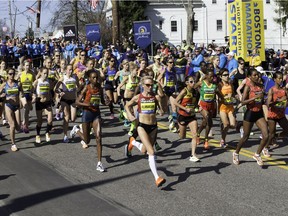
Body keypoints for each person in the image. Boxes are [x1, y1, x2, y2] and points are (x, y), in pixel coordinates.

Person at [125, 76, 166, 187]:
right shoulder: (138, 97)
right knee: (151, 152)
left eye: (151, 85)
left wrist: (161, 110)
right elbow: (127, 105)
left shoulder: (155, 97)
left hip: (153, 127)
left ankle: (132, 142)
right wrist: (130, 115)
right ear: (142, 86)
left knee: (144, 150)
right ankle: (157, 178)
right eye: (147, 85)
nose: (150, 87)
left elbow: (162, 109)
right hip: (142, 126)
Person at [70, 70, 106, 172]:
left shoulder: (99, 87)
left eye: (96, 77)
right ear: (89, 79)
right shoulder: (86, 88)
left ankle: (99, 163)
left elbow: (102, 100)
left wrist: (106, 102)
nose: (95, 79)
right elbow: (77, 102)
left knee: (98, 137)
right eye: (93, 78)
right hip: (87, 114)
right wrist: (88, 104)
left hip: (96, 114)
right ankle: (76, 130)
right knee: (87, 140)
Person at [232, 68, 268, 166]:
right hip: (250, 113)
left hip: (259, 113)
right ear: (250, 77)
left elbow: (263, 100)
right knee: (245, 137)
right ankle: (236, 153)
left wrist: (265, 98)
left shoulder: (261, 86)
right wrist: (255, 98)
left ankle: (257, 154)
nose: (257, 77)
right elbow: (243, 102)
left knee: (266, 135)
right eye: (254, 75)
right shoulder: (248, 87)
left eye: (257, 75)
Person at [174, 76, 199, 162]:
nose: (193, 83)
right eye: (191, 82)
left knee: (195, 134)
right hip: (183, 115)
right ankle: (177, 127)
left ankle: (193, 155)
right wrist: (185, 109)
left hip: (191, 116)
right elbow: (175, 102)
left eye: (194, 81)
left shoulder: (195, 92)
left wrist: (196, 108)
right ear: (187, 83)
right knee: (182, 136)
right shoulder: (184, 91)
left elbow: (195, 103)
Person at [54, 64, 79, 143]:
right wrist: (60, 92)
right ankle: (65, 135)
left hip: (73, 100)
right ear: (65, 70)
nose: (70, 71)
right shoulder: (63, 78)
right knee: (66, 118)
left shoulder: (75, 77)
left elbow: (78, 87)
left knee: (73, 118)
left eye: (71, 69)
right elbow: (55, 89)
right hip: (64, 100)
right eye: (69, 69)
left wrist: (77, 93)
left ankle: (74, 129)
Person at [265, 72, 288, 155]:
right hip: (272, 114)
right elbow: (268, 104)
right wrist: (278, 101)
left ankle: (277, 136)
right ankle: (265, 148)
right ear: (275, 79)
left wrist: (284, 104)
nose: (281, 80)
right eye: (279, 78)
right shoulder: (272, 90)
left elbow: (286, 101)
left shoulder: (284, 90)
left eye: (282, 78)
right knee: (271, 134)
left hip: (281, 114)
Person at [0, 68, 23, 151]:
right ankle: (13, 144)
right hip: (8, 106)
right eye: (10, 74)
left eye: (13, 73)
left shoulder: (18, 83)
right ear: (7, 75)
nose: (12, 75)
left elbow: (21, 93)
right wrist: (2, 96)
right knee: (12, 125)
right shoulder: (4, 84)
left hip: (17, 106)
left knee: (18, 127)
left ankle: (20, 127)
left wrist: (22, 102)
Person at [194, 70, 218, 149]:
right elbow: (193, 87)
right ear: (206, 76)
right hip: (202, 105)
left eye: (213, 77)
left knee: (205, 123)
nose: (212, 78)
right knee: (208, 119)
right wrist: (199, 92)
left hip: (211, 105)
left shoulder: (213, 85)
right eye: (210, 76)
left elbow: (218, 94)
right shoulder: (201, 83)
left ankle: (198, 134)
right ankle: (206, 140)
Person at [32, 67, 53, 144]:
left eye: (47, 73)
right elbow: (32, 91)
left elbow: (50, 91)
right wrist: (35, 97)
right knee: (40, 121)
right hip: (39, 102)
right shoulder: (37, 81)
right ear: (40, 73)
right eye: (44, 73)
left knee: (50, 120)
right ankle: (38, 135)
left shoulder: (49, 81)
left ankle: (47, 132)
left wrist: (51, 99)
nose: (46, 75)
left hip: (47, 102)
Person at [218, 69, 236, 147]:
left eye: (227, 74)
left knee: (233, 125)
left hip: (230, 107)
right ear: (221, 77)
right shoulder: (220, 85)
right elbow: (218, 96)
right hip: (223, 107)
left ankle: (223, 128)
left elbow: (234, 94)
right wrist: (224, 97)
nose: (227, 76)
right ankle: (222, 140)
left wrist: (238, 98)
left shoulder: (231, 84)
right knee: (226, 125)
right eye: (224, 75)